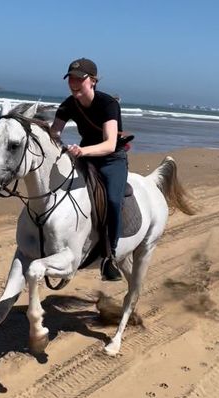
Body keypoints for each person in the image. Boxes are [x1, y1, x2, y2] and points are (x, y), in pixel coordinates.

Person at [50, 57, 128, 281]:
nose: (74, 83)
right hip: (84, 155)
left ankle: (109, 257)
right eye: (71, 78)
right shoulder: (68, 104)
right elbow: (55, 133)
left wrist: (82, 152)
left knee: (113, 200)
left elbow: (110, 144)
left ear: (92, 81)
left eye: (79, 79)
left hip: (112, 159)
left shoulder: (108, 104)